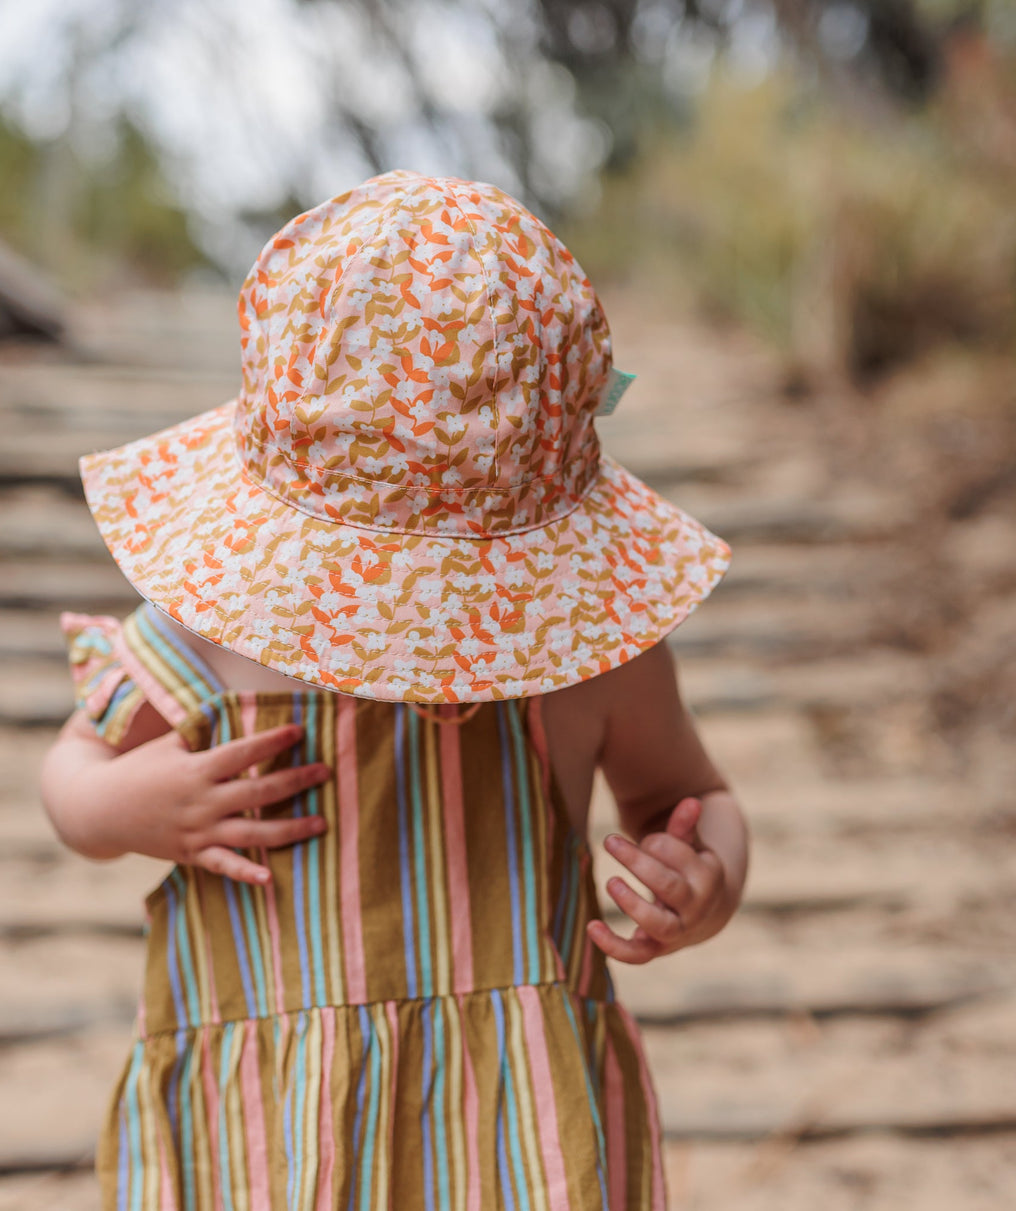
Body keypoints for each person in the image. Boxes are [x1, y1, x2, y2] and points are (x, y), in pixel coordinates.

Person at [39, 170, 749, 1211]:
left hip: (518, 1139)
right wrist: (123, 807)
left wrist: (702, 877)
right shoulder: (214, 633)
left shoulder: (587, 655)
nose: (415, 627)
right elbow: (71, 769)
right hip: (263, 1142)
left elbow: (690, 792)